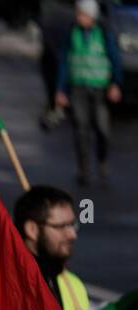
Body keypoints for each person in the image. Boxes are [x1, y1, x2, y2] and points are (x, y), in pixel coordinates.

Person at [53, 0, 123, 185]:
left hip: (99, 87)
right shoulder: (72, 32)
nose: (78, 17)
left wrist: (115, 84)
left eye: (82, 14)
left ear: (91, 16)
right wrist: (60, 90)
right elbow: (64, 62)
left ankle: (102, 160)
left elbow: (115, 58)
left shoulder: (104, 33)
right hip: (78, 86)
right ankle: (83, 168)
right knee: (81, 129)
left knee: (102, 128)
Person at [14, 185, 91, 310]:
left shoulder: (73, 284)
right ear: (32, 230)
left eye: (72, 224)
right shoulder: (11, 285)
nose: (72, 234)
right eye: (61, 226)